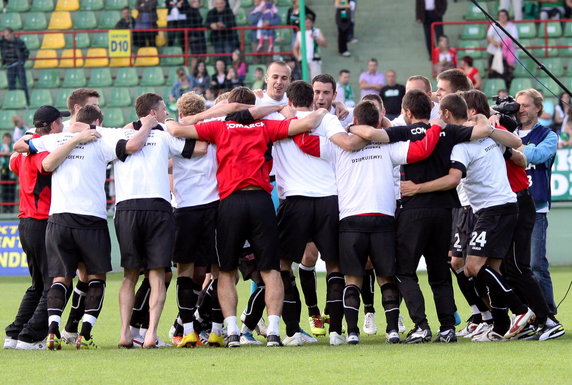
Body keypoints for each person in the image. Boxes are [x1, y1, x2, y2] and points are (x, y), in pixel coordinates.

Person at [167, 86, 330, 348]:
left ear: (231, 106)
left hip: (230, 203)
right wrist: (323, 109)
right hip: (260, 202)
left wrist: (200, 116)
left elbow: (176, 129)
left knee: (226, 271)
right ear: (253, 108)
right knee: (270, 269)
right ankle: (275, 332)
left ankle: (231, 332)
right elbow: (308, 122)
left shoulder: (218, 128)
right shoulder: (265, 127)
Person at [350, 89, 492, 344]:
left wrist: (351, 125)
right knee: (440, 271)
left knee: (404, 271)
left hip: (414, 209)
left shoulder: (403, 132)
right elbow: (484, 130)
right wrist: (481, 116)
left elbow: (370, 133)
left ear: (406, 112)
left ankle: (421, 326)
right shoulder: (448, 130)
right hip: (445, 209)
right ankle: (448, 328)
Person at [19, 106, 158, 351]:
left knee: (61, 277)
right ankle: (84, 334)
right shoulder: (101, 137)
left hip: (59, 218)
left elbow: (21, 145)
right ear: (96, 121)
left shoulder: (54, 139)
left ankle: (53, 332)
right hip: (90, 219)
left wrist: (69, 138)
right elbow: (133, 145)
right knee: (96, 277)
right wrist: (147, 124)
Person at [400, 93, 535, 342]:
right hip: (501, 206)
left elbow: (453, 179)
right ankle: (500, 326)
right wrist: (488, 126)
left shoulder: (461, 145)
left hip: (492, 209)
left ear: (447, 115)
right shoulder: (487, 133)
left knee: (472, 267)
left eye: (441, 114)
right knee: (491, 269)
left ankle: (521, 310)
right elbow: (515, 144)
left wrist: (417, 188)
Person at [4, 106, 94, 350]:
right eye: (60, 122)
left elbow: (14, 160)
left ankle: (14, 334)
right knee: (57, 283)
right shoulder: (40, 152)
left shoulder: (23, 153)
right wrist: (75, 140)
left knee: (37, 285)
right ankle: (30, 337)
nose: (63, 125)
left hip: (25, 222)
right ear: (53, 125)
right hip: (43, 222)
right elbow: (48, 165)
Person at [515, 88, 561, 324]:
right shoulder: (508, 131)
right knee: (513, 265)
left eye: (525, 105)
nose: (520, 109)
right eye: (518, 105)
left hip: (536, 205)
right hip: (509, 205)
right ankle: (526, 314)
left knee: (535, 264)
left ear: (538, 109)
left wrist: (510, 144)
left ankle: (548, 313)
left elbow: (538, 156)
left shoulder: (549, 135)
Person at [486, 9, 518, 89]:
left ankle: (506, 89)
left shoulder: (511, 26)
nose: (502, 17)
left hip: (507, 52)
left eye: (504, 15)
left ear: (507, 16)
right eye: (500, 15)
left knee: (506, 73)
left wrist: (503, 43)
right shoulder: (494, 24)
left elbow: (514, 37)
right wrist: (496, 43)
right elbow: (489, 37)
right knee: (493, 71)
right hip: (494, 50)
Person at [0, 28, 30, 105]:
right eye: (5, 35)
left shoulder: (19, 42)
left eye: (7, 35)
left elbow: (26, 52)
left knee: (23, 84)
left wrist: (22, 61)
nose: (6, 37)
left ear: (12, 34)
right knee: (11, 86)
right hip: (9, 66)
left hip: (19, 65)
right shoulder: (3, 42)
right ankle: (12, 102)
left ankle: (26, 103)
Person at [293, 14, 327, 82]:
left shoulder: (316, 31)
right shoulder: (299, 33)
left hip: (314, 59)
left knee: (316, 80)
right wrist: (298, 58)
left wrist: (316, 39)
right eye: (305, 22)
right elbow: (295, 48)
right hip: (303, 60)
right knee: (304, 80)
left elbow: (325, 43)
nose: (307, 24)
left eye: (308, 22)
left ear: (312, 23)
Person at [206, 0, 239, 65]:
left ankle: (229, 72)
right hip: (217, 40)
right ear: (215, 4)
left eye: (221, 4)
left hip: (228, 39)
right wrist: (212, 25)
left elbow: (232, 23)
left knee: (228, 57)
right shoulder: (211, 12)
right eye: (217, 4)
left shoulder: (229, 12)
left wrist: (224, 26)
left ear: (224, 4)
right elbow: (206, 23)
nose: (219, 6)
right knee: (219, 58)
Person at [187, 0, 207, 71]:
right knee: (195, 57)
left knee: (202, 57)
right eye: (195, 1)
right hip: (194, 37)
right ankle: (192, 75)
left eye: (198, 1)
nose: (197, 3)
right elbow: (191, 24)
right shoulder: (190, 11)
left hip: (200, 36)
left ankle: (199, 73)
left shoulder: (196, 11)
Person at [0, 133, 15, 212]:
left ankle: (11, 208)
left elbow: (16, 153)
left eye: (8, 140)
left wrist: (8, 153)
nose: (7, 141)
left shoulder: (13, 146)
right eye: (5, 140)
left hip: (11, 170)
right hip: (3, 169)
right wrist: (6, 153)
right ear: (3, 140)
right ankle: (5, 209)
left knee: (12, 190)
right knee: (4, 189)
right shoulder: (1, 146)